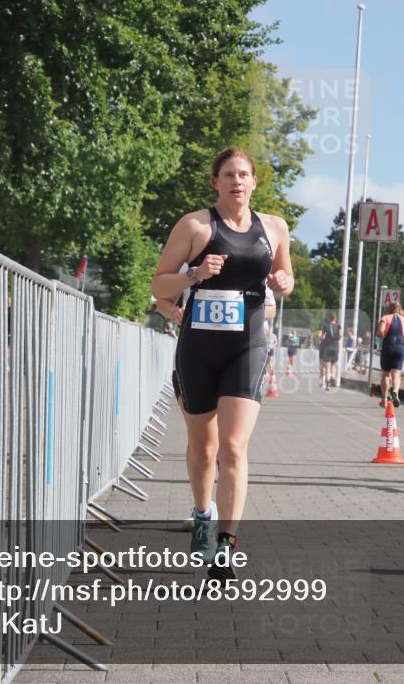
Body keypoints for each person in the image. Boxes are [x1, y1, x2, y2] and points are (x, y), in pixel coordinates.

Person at [151, 147, 293, 580]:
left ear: (254, 183)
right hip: (198, 348)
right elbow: (159, 283)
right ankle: (201, 514)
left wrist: (284, 282)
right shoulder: (195, 225)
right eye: (228, 174)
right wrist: (195, 274)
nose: (237, 181)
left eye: (244, 175)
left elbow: (285, 279)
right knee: (204, 448)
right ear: (215, 181)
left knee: (233, 447)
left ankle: (227, 545)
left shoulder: (275, 227)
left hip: (246, 346)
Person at [376, 302, 404, 408]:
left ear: (389, 309)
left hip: (387, 348)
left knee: (386, 374)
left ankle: (384, 400)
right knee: (396, 374)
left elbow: (380, 331)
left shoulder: (385, 318)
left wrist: (382, 335)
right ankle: (395, 392)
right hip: (399, 348)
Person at [318, 311, 340, 390]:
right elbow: (340, 336)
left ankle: (327, 385)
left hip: (326, 347)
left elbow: (319, 335)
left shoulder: (324, 325)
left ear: (328, 318)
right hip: (335, 347)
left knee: (327, 367)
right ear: (335, 318)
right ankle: (333, 376)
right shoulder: (338, 325)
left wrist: (321, 338)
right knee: (333, 365)